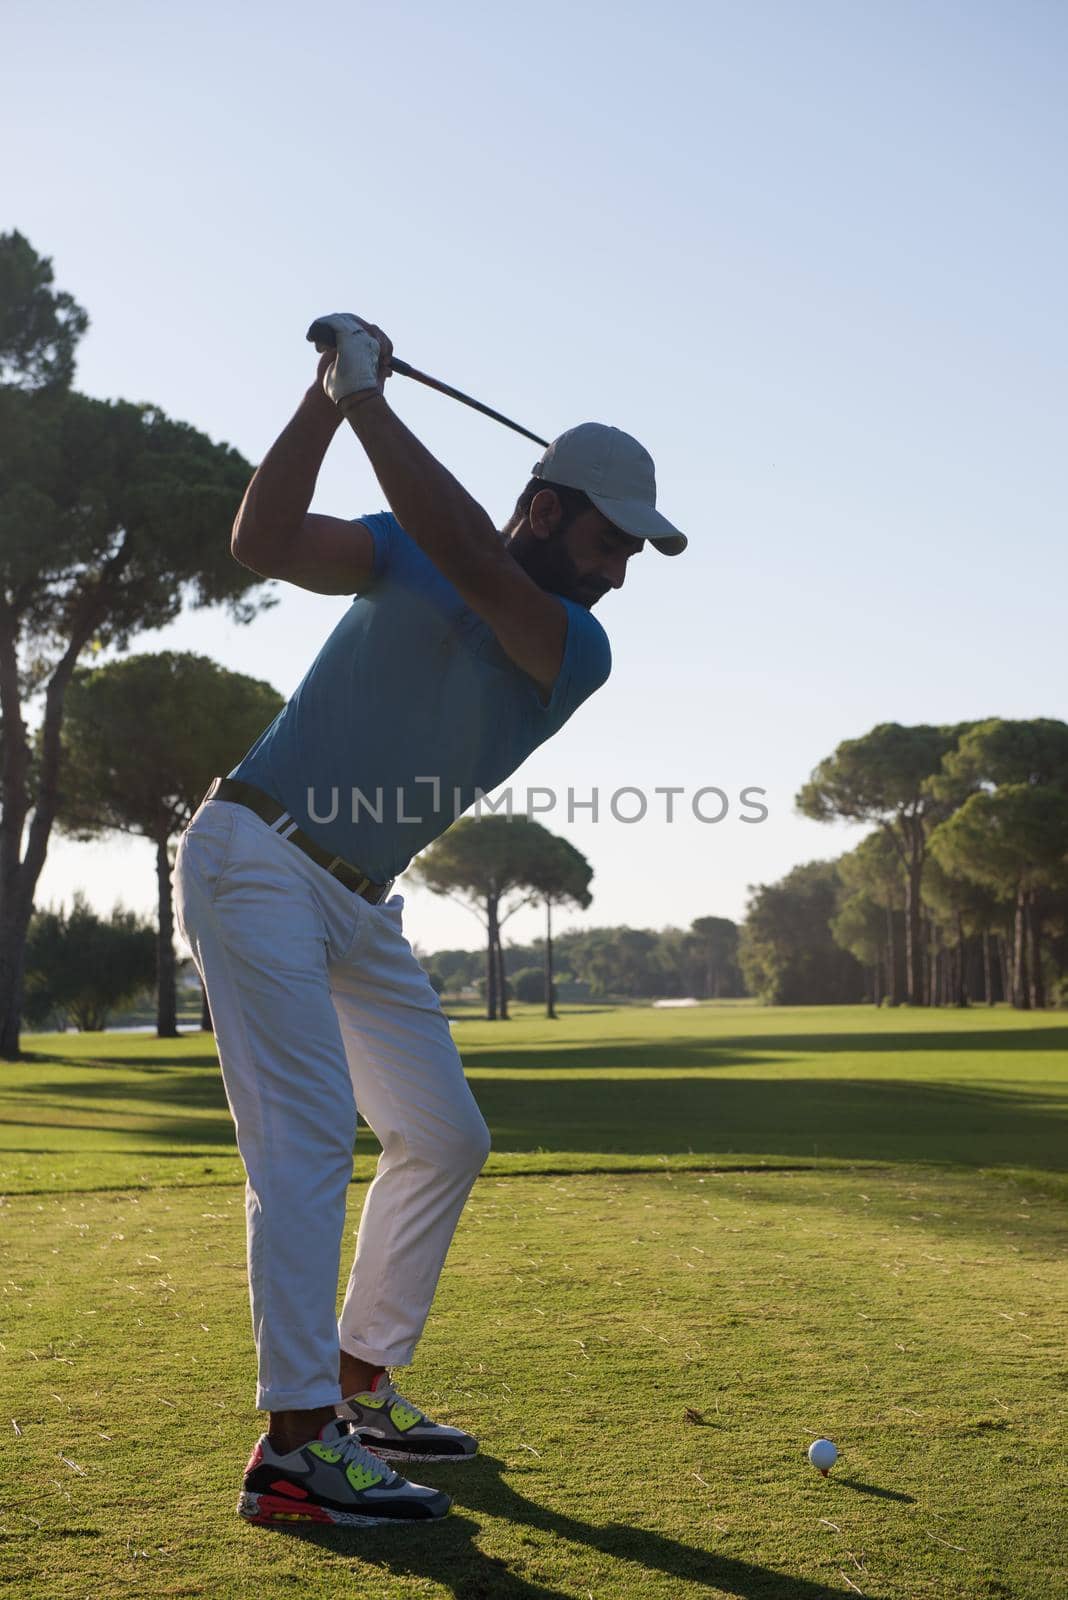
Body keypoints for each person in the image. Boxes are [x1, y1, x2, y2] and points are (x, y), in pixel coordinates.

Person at [173, 313, 686, 1529]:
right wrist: (322, 399)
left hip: (357, 905)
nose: (620, 573)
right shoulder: (411, 545)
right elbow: (260, 541)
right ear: (550, 506)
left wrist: (371, 404)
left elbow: (482, 568)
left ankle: (356, 1383)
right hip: (253, 856)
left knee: (444, 1135)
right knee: (304, 1145)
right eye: (612, 541)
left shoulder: (576, 643)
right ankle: (293, 1446)